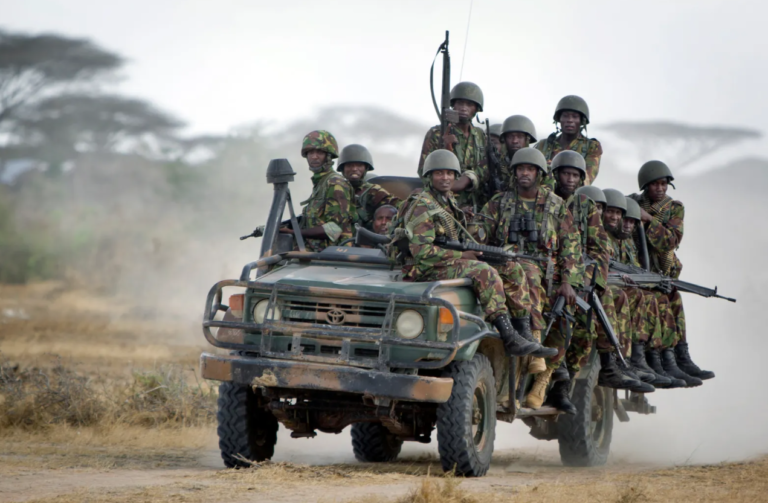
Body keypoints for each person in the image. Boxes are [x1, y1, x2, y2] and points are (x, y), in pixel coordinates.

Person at [396, 149, 556, 359]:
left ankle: (524, 332)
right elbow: (422, 253)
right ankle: (508, 335)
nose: (445, 178)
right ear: (429, 176)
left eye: (449, 173)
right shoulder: (422, 205)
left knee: (511, 267)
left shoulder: (446, 201)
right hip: (425, 268)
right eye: (439, 173)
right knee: (484, 272)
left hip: (446, 261)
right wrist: (463, 256)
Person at [472, 147, 583, 410]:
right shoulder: (500, 202)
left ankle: (536, 355)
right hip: (505, 266)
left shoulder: (555, 206)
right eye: (520, 169)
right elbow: (479, 231)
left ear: (539, 174)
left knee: (533, 277)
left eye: (530, 169)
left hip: (543, 274)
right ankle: (528, 347)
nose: (524, 173)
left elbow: (571, 248)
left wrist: (568, 281)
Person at [551, 153, 653, 393]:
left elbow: (598, 250)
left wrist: (588, 280)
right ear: (556, 175)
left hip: (578, 278)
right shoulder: (545, 200)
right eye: (566, 173)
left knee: (592, 316)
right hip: (549, 274)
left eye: (575, 175)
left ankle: (607, 366)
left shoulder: (586, 207)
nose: (570, 179)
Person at [630, 161, 714, 382]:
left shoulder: (673, 208)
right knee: (657, 302)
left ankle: (680, 356)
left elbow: (670, 241)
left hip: (661, 269)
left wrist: (648, 220)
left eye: (664, 184)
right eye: (655, 184)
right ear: (645, 186)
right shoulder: (633, 203)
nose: (660, 188)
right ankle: (659, 359)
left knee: (673, 298)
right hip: (636, 269)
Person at [603, 190, 684, 388]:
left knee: (665, 296)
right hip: (607, 289)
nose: (628, 225)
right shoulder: (604, 237)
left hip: (622, 286)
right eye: (626, 221)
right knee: (637, 297)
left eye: (632, 222)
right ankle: (630, 359)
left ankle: (664, 358)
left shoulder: (628, 242)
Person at [281, 130, 357, 252]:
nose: (314, 156)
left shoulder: (335, 184)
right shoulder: (321, 183)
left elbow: (334, 229)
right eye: (310, 152)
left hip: (332, 258)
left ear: (328, 155)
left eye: (320, 152)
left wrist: (294, 232)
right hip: (316, 255)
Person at [417, 82, 488, 211]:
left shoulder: (480, 136)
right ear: (453, 105)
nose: (464, 108)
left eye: (469, 104)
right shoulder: (436, 133)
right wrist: (443, 150)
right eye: (460, 103)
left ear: (477, 109)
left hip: (474, 204)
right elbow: (423, 171)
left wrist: (468, 179)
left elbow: (485, 168)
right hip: (441, 204)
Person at [535, 95, 603, 185]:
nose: (570, 120)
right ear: (559, 119)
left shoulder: (591, 147)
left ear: (581, 120)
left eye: (575, 117)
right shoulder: (544, 145)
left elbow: (587, 178)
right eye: (565, 116)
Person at [337, 144, 400, 231]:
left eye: (359, 165)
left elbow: (399, 207)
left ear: (366, 168)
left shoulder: (373, 191)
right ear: (342, 169)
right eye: (350, 165)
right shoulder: (334, 189)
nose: (355, 169)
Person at [497, 115, 537, 191]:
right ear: (504, 139)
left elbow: (546, 192)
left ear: (527, 139)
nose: (515, 141)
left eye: (520, 137)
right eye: (510, 137)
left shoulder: (538, 164)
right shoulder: (496, 163)